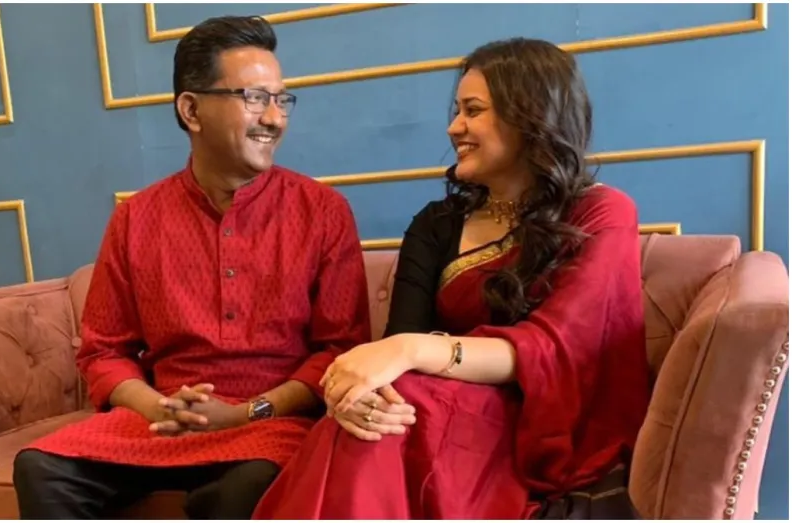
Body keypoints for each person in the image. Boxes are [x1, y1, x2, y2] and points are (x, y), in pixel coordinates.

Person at [11, 15, 395, 519]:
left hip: (270, 422)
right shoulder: (136, 218)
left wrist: (245, 412)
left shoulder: (322, 211)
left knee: (250, 486)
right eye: (254, 98)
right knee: (41, 468)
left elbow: (339, 350)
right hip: (160, 421)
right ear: (191, 110)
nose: (274, 118)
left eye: (281, 100)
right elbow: (104, 351)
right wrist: (157, 406)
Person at [251, 37, 652, 520]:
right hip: (429, 413)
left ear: (530, 116)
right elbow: (398, 348)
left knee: (399, 416)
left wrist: (414, 351)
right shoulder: (436, 224)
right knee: (374, 422)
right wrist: (363, 397)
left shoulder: (601, 213)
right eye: (457, 110)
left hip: (536, 424)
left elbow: (557, 348)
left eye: (473, 110)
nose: (454, 126)